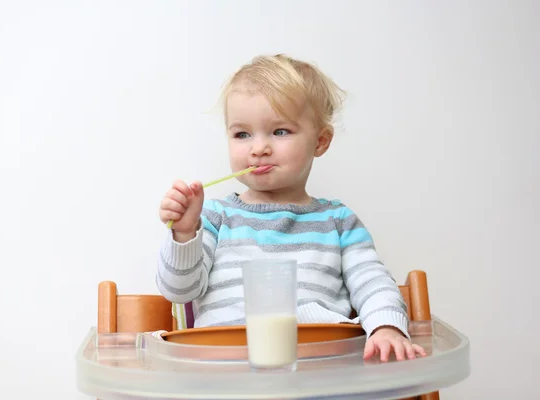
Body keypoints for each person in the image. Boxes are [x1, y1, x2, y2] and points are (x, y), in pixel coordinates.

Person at [156, 54, 426, 362]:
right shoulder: (215, 217)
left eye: (280, 131)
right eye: (242, 134)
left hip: (317, 371)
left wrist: (386, 327)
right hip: (225, 373)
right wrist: (184, 233)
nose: (258, 148)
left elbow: (372, 281)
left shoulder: (338, 222)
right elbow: (178, 291)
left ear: (321, 142)